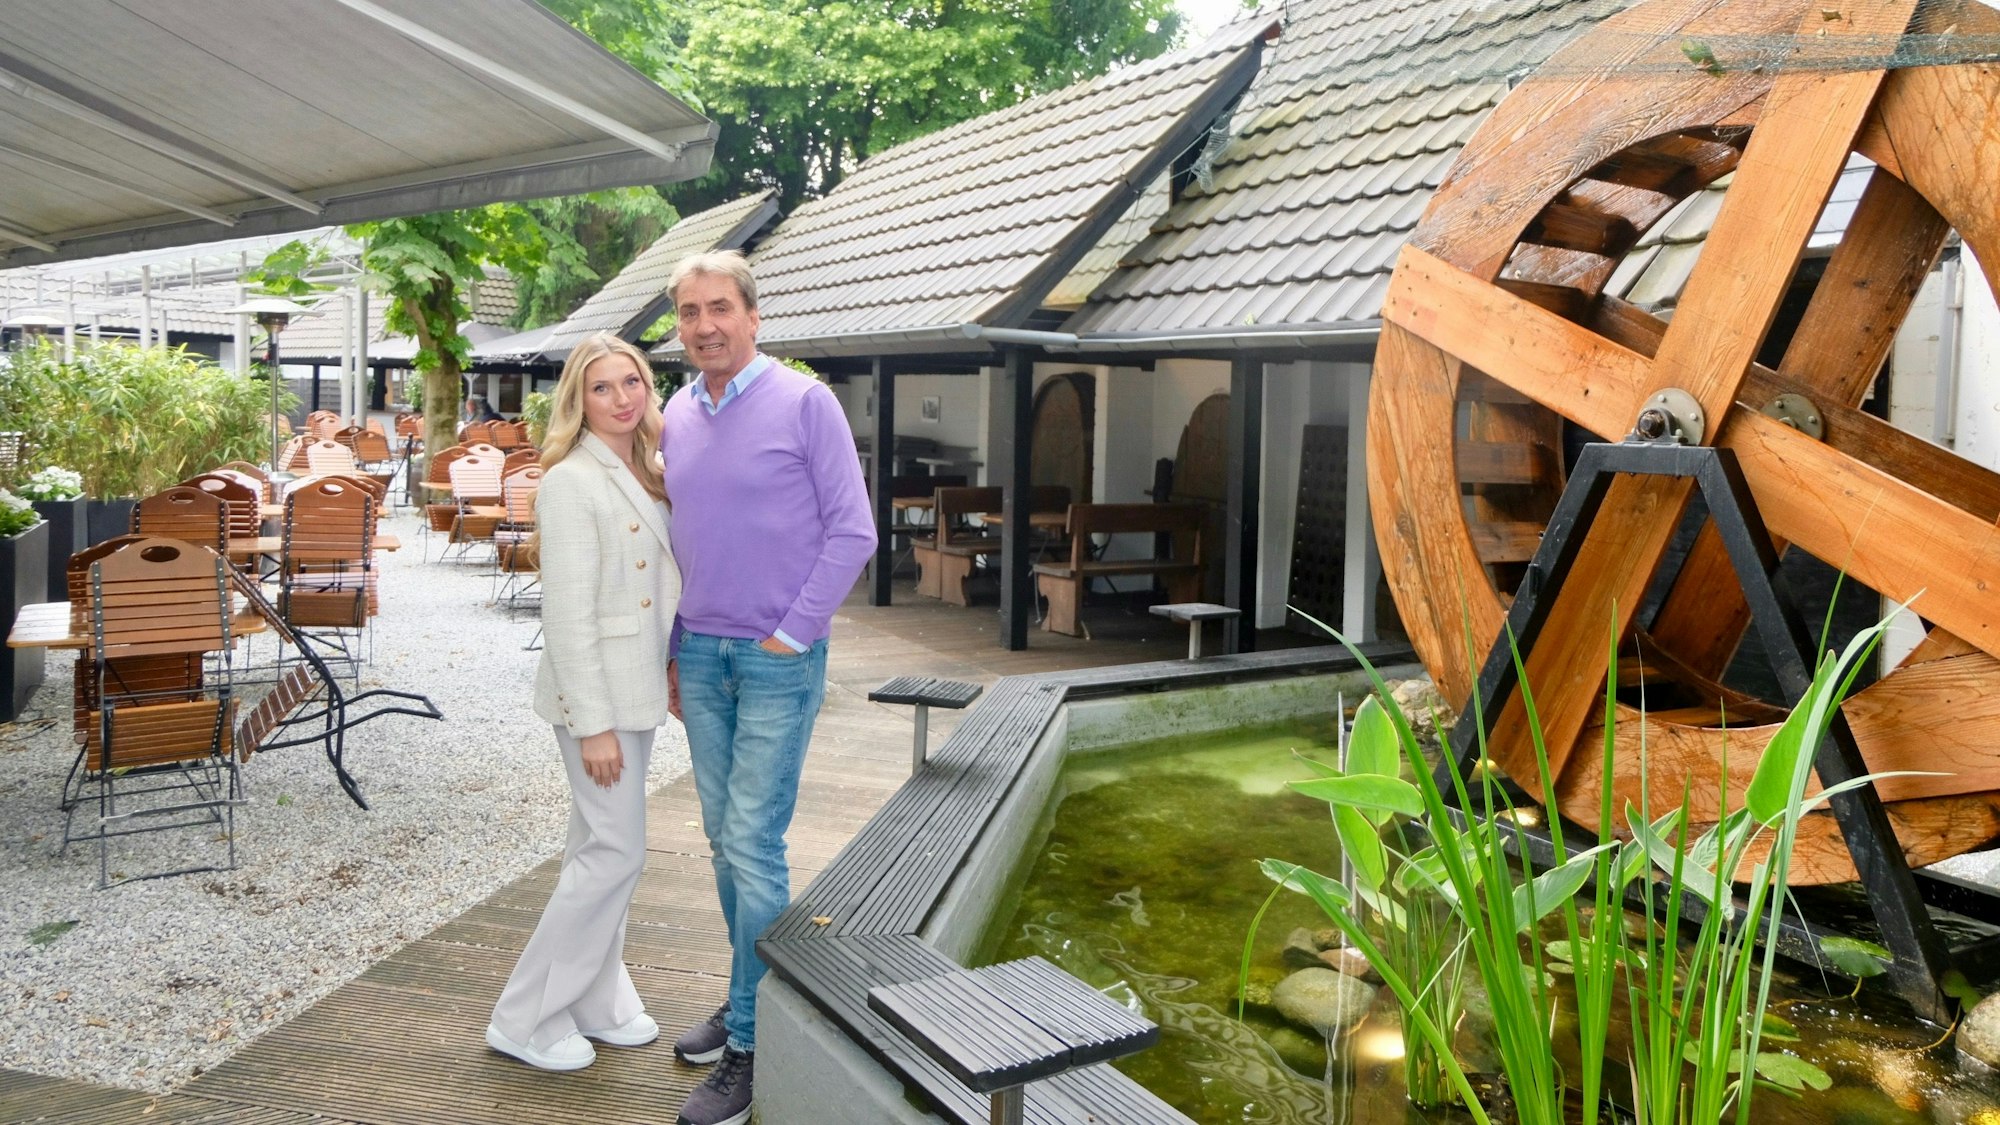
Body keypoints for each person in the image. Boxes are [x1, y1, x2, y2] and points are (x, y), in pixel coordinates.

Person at [659, 251, 874, 1125]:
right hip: (702, 655)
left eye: (720, 307)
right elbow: (681, 537)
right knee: (724, 842)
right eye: (688, 312)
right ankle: (748, 988)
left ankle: (753, 1039)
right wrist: (675, 649)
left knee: (752, 840)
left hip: (776, 656)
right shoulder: (676, 412)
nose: (704, 325)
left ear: (753, 316)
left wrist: (793, 631)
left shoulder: (806, 402)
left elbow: (853, 531)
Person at [484, 333, 679, 1072]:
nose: (621, 397)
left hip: (636, 686)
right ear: (578, 400)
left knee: (596, 847)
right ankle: (525, 1017)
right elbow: (565, 616)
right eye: (602, 387)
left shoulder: (647, 469)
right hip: (595, 701)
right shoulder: (570, 480)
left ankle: (597, 997)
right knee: (615, 852)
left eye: (632, 381)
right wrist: (591, 725)